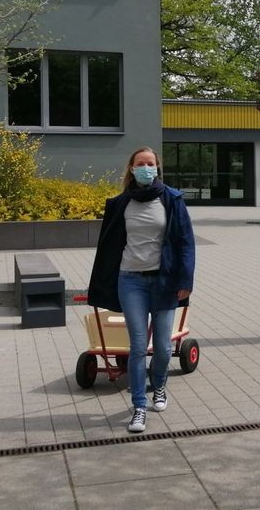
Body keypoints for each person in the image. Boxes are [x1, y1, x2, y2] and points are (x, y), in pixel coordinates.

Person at [88, 147, 195, 434]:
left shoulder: (172, 199)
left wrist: (186, 282)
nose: (147, 168)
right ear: (132, 169)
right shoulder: (120, 203)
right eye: (141, 164)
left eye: (151, 164)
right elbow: (109, 245)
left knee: (161, 347)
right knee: (137, 346)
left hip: (165, 282)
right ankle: (138, 407)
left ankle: (158, 385)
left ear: (158, 168)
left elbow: (185, 242)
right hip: (131, 280)